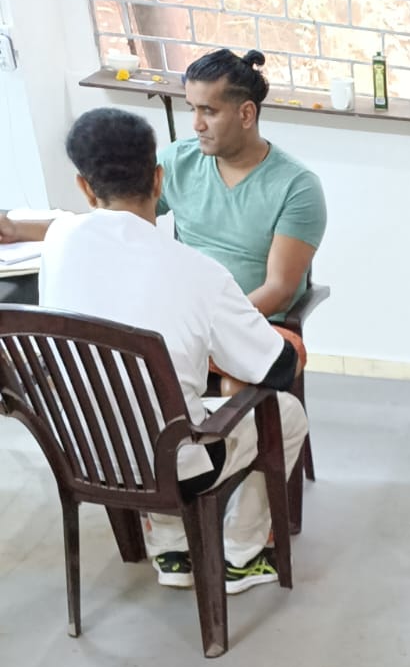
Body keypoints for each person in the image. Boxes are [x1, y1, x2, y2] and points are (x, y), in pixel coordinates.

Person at [39, 107, 306, 594]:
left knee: (137, 405)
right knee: (285, 413)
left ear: (84, 187)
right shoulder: (198, 273)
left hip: (80, 454)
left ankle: (172, 549)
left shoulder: (58, 240)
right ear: (158, 179)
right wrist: (281, 345)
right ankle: (241, 554)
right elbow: (277, 368)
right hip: (171, 466)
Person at [161, 48, 327, 322]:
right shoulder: (177, 160)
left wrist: (211, 327)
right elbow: (125, 219)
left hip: (253, 327)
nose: (196, 125)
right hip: (183, 319)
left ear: (246, 114)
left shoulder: (297, 187)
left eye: (208, 111)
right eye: (192, 109)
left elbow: (279, 291)